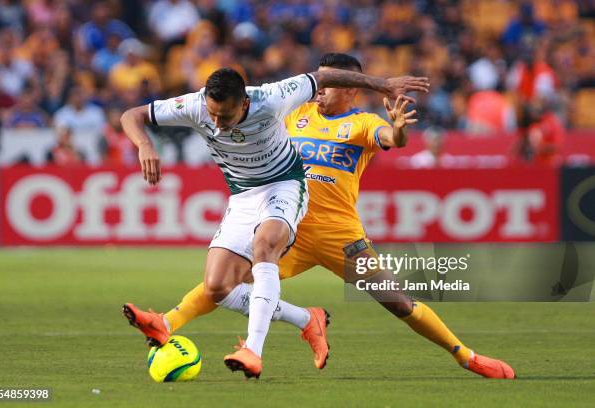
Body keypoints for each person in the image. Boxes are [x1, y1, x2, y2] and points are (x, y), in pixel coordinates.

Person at [124, 54, 515, 380]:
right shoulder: (294, 113)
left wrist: (398, 131)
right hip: (287, 225)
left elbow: (390, 140)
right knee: (222, 284)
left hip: (336, 235)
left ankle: (465, 355)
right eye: (320, 88)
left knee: (397, 302)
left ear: (349, 90)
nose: (321, 94)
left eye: (329, 89)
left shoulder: (361, 124)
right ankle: (181, 324)